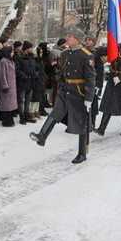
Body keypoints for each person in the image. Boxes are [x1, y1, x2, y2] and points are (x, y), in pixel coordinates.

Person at [29, 27, 96, 164]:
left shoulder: (86, 55)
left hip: (79, 92)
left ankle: (82, 153)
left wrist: (89, 97)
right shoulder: (64, 54)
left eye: (69, 36)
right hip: (65, 90)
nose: (67, 38)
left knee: (81, 121)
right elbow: (61, 71)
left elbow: (91, 78)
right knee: (56, 112)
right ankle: (42, 136)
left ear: (77, 39)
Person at [95, 31, 121, 136]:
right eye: (119, 37)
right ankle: (102, 128)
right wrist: (110, 44)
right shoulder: (113, 49)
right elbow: (99, 51)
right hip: (112, 79)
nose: (120, 39)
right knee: (108, 104)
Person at [84, 34, 104, 129]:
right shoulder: (82, 52)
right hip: (82, 81)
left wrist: (99, 84)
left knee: (93, 104)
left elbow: (100, 70)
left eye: (90, 40)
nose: (87, 42)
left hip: (92, 82)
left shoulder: (96, 54)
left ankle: (92, 123)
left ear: (94, 42)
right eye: (86, 40)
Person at [15, 40, 37, 125]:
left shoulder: (32, 57)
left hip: (31, 81)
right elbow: (17, 69)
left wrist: (35, 74)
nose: (31, 49)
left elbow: (35, 67)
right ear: (26, 49)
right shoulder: (19, 57)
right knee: (21, 100)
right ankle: (22, 116)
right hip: (22, 82)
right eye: (30, 48)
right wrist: (23, 75)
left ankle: (27, 115)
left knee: (28, 100)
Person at [0, 46, 18, 127]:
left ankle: (10, 119)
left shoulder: (11, 61)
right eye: (11, 52)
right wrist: (5, 85)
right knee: (7, 104)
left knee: (10, 104)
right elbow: (2, 74)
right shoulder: (3, 61)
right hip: (7, 85)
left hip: (12, 85)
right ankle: (6, 120)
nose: (13, 53)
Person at [31, 46, 48, 120]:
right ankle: (32, 112)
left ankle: (36, 111)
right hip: (37, 81)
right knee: (35, 97)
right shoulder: (35, 60)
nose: (41, 54)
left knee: (39, 97)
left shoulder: (40, 60)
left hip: (41, 80)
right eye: (40, 52)